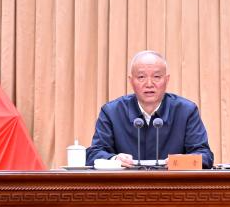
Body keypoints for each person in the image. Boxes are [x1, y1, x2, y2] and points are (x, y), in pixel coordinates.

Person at [86, 50, 214, 168]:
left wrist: (181, 161)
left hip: (171, 184)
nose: (149, 84)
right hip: (127, 184)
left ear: (167, 80)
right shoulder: (112, 112)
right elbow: (93, 154)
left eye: (156, 77)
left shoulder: (186, 111)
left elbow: (205, 156)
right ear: (131, 81)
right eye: (141, 77)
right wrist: (114, 159)